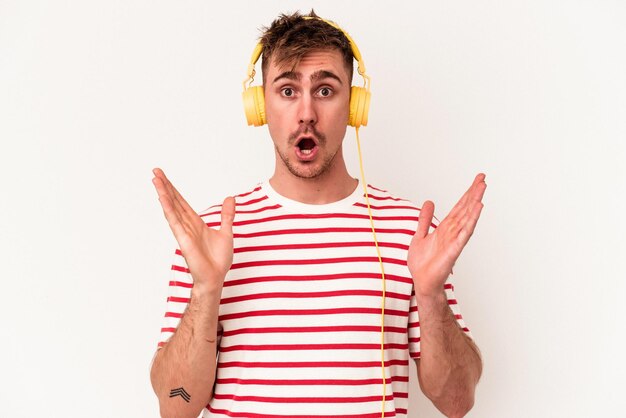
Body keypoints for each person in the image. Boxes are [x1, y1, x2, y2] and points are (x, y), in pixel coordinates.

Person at [150, 10, 485, 418]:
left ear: (354, 106)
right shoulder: (210, 235)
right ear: (259, 107)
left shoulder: (410, 234)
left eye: (325, 90)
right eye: (288, 91)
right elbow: (175, 405)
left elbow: (458, 402)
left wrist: (430, 297)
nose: (306, 112)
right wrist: (205, 291)